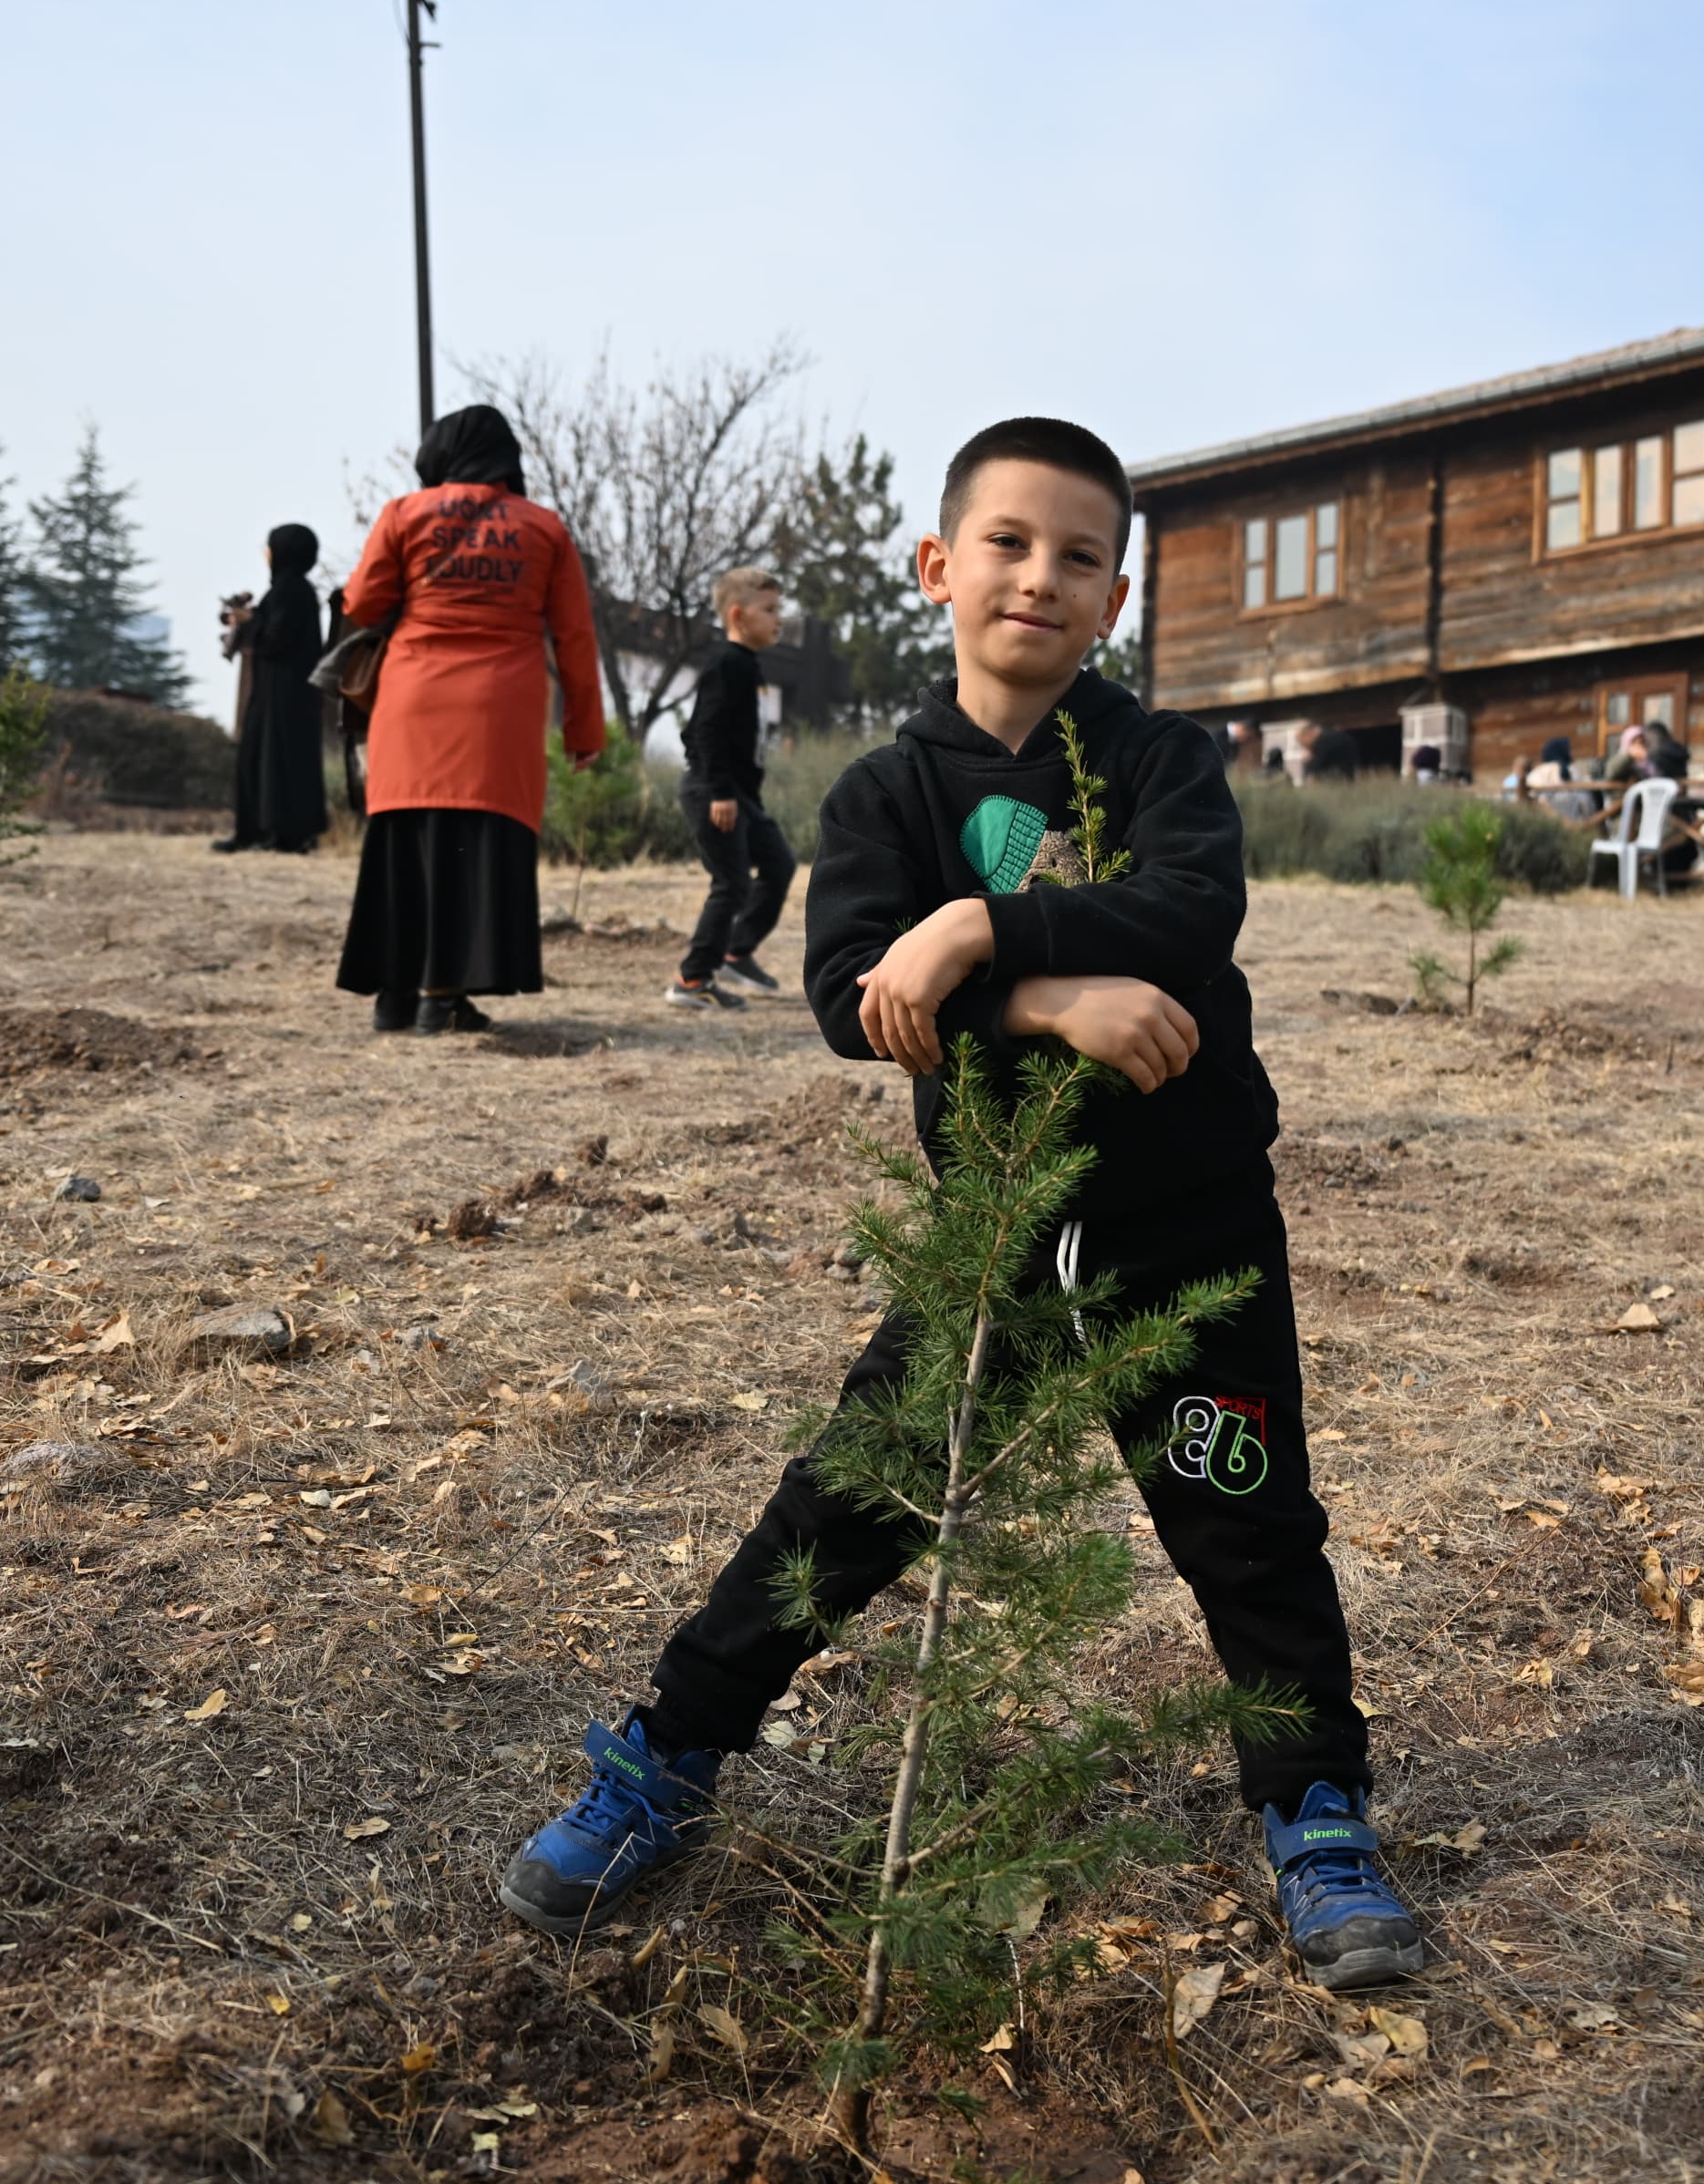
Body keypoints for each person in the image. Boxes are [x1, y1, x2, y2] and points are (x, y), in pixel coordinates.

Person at [494, 417, 1427, 1992]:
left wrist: (980, 928)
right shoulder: (882, 791)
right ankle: (666, 1754)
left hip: (1189, 1230)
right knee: (843, 1503)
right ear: (939, 566)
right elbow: (849, 987)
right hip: (995, 1239)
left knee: (1246, 1522)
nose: (1037, 579)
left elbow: (1189, 912)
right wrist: (1037, 1002)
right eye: (1005, 543)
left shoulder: (1155, 762)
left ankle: (1313, 1805)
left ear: (1114, 596)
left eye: (1078, 556)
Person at [332, 405, 605, 1036]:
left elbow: (362, 602)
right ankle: (443, 998)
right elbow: (574, 637)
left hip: (412, 699)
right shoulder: (544, 528)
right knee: (474, 849)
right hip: (498, 708)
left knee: (404, 845)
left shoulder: (405, 513)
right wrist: (584, 731)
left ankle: (393, 997)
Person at [666, 564, 797, 1009]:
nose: (779, 618)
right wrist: (720, 791)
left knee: (779, 863)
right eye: (770, 609)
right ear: (739, 615)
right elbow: (702, 732)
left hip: (740, 797)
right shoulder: (727, 664)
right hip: (714, 793)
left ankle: (735, 952)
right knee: (731, 883)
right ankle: (691, 980)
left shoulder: (750, 667)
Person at [213, 524, 331, 855]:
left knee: (278, 760)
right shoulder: (289, 590)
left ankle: (282, 835)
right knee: (262, 756)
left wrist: (248, 622)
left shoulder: (291, 591)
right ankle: (259, 831)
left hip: (285, 695)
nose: (266, 554)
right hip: (278, 692)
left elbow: (276, 639)